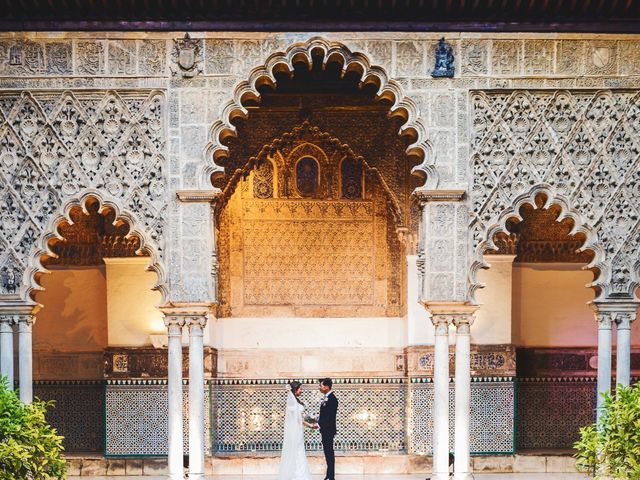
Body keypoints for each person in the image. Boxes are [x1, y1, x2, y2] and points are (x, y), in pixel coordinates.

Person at [278, 381, 313, 480]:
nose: (301, 391)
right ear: (295, 389)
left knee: (300, 450)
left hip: (299, 430)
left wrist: (309, 422)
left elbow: (300, 419)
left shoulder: (296, 401)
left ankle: (299, 473)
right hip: (296, 431)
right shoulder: (292, 403)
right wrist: (310, 425)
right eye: (300, 389)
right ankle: (297, 475)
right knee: (297, 451)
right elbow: (298, 420)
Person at [317, 378, 338, 480]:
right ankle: (329, 475)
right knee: (327, 453)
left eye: (321, 386)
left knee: (329, 453)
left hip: (328, 430)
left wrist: (319, 423)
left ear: (326, 387)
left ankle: (331, 476)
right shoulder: (326, 398)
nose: (319, 388)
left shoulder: (332, 399)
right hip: (325, 430)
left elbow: (330, 417)